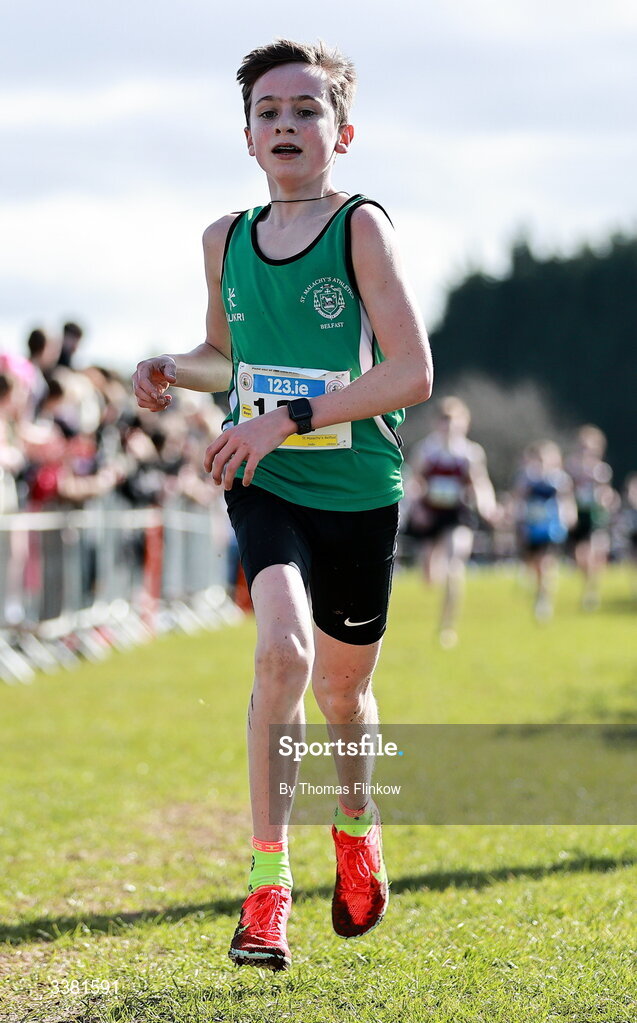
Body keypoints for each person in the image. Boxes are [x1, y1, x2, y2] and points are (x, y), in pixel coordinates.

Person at [133, 38, 432, 972]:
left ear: (340, 133)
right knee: (282, 651)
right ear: (248, 138)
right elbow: (228, 358)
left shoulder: (360, 229)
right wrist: (173, 369)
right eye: (268, 112)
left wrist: (288, 417)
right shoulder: (223, 238)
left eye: (305, 110)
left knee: (343, 691)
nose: (286, 125)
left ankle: (356, 824)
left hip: (356, 489)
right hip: (263, 483)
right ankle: (267, 885)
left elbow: (411, 374)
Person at [405, 396, 496, 647]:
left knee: (454, 562)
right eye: (445, 423)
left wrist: (488, 507)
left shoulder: (471, 453)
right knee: (429, 574)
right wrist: (417, 509)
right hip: (429, 513)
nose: (450, 429)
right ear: (437, 424)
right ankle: (431, 571)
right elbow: (413, 481)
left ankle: (447, 627)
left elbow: (480, 483)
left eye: (456, 423)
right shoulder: (426, 450)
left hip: (457, 514)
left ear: (465, 424)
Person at [514, 440, 575, 621]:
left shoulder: (560, 480)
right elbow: (519, 500)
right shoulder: (526, 479)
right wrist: (518, 520)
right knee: (533, 564)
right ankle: (539, 590)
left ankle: (544, 599)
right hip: (532, 528)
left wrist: (569, 516)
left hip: (551, 528)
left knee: (545, 563)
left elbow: (567, 501)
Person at [566, 425, 617, 610]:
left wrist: (606, 500)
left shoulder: (601, 470)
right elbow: (567, 490)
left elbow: (606, 492)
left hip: (595, 514)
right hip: (578, 513)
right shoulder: (571, 467)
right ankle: (587, 581)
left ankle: (591, 591)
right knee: (580, 555)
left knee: (594, 551)